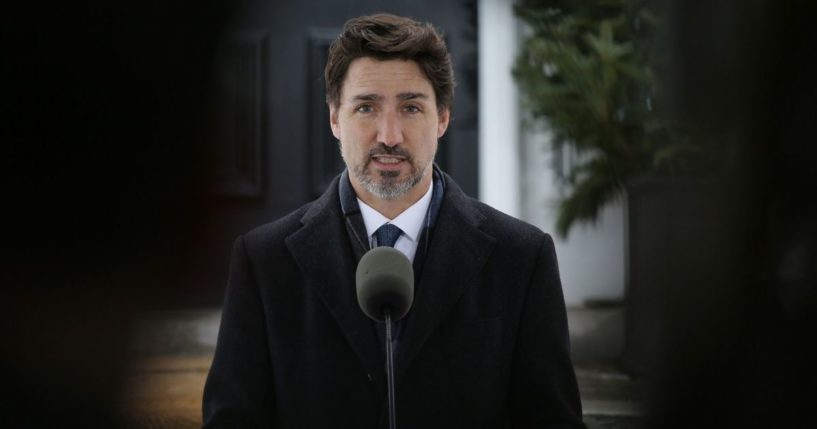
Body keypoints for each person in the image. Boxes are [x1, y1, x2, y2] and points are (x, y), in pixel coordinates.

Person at [203, 13, 584, 428]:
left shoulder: (522, 258)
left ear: (442, 118)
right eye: (366, 107)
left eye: (411, 107)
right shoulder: (263, 261)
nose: (389, 135)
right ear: (334, 118)